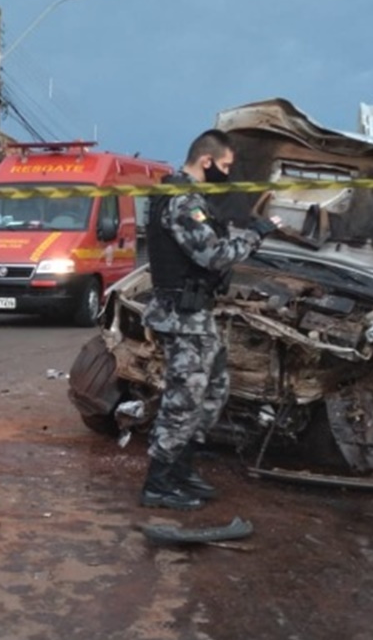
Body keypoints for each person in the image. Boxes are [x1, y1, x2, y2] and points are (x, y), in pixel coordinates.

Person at [140, 129, 279, 510]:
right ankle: (159, 482)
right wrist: (258, 233)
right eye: (225, 166)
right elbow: (214, 256)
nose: (227, 173)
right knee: (183, 400)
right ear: (207, 161)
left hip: (197, 317)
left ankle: (182, 469)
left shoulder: (190, 198)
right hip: (182, 318)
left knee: (214, 390)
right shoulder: (182, 201)